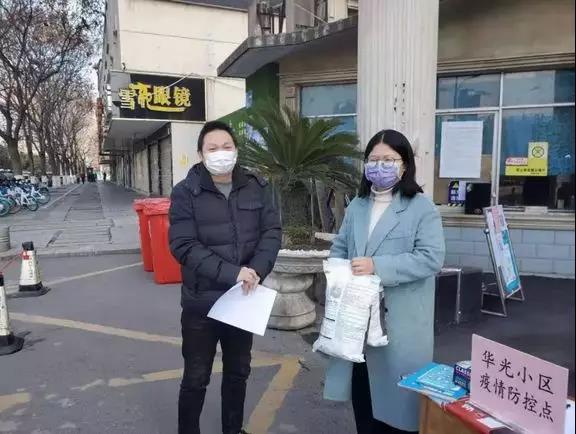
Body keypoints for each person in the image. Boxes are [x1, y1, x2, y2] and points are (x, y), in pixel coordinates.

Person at [323, 129, 445, 434]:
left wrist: (377, 266)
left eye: (389, 160)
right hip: (357, 321)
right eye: (374, 159)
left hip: (399, 322)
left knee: (399, 408)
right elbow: (341, 246)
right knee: (364, 399)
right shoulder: (358, 205)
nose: (380, 166)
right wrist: (337, 271)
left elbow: (431, 258)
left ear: (404, 165)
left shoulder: (421, 207)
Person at [169, 121, 281, 434]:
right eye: (213, 148)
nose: (221, 153)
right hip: (201, 302)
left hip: (243, 300)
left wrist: (256, 270)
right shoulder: (185, 192)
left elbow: (271, 232)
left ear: (236, 150)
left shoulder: (256, 186)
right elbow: (183, 245)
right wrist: (234, 273)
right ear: (201, 154)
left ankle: (232, 429)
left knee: (238, 372)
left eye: (227, 146)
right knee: (196, 376)